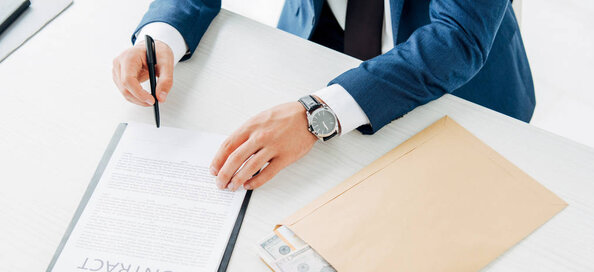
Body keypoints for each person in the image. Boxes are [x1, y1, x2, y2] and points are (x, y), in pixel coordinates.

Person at [112, 0, 535, 191]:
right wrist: (162, 34)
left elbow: (458, 40)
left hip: (458, 94)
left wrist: (318, 114)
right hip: (317, 45)